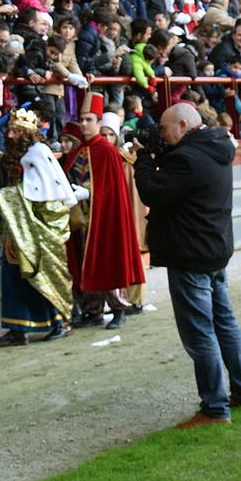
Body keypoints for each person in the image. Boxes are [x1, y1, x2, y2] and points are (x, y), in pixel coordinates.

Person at [133, 102, 241, 428]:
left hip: (190, 255)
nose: (161, 134)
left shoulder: (187, 158)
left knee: (200, 333)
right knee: (224, 324)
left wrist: (143, 160)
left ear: (184, 126)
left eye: (165, 129)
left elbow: (152, 192)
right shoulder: (213, 147)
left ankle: (215, 409)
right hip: (213, 250)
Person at [0, 108, 80, 346]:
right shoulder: (16, 154)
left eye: (15, 131)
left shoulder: (38, 153)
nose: (10, 135)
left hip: (38, 227)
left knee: (42, 273)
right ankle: (17, 326)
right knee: (13, 274)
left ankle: (59, 322)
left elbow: (42, 193)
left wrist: (3, 196)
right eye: (9, 130)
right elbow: (0, 162)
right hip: (18, 226)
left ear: (27, 134)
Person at [62, 93, 144, 329]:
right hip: (81, 220)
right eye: (82, 120)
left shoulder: (107, 152)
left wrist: (89, 193)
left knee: (108, 260)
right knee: (83, 264)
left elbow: (112, 191)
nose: (84, 124)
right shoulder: (77, 152)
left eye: (89, 120)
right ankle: (93, 310)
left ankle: (119, 308)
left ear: (99, 122)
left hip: (103, 218)